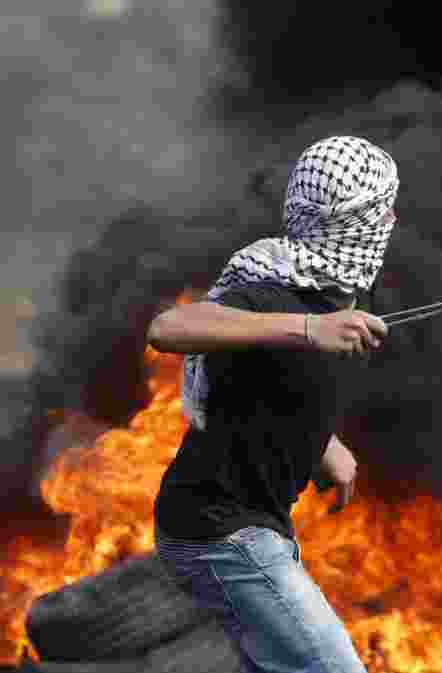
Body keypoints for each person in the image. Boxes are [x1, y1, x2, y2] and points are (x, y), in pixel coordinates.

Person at [147, 136, 397, 673]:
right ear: (352, 222)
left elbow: (274, 387)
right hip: (219, 531)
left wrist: (325, 443)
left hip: (260, 525)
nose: (393, 218)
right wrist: (309, 328)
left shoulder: (344, 290)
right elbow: (169, 328)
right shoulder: (272, 289)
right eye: (382, 209)